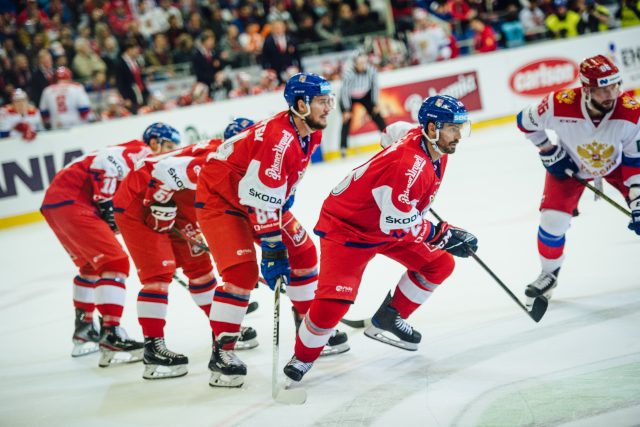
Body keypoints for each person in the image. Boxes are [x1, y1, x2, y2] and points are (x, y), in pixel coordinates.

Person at [282, 95, 478, 384]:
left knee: (439, 265)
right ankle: (303, 357)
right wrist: (443, 234)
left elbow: (391, 132)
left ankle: (389, 317)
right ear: (433, 128)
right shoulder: (412, 167)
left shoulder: (420, 138)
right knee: (334, 302)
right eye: (453, 128)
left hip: (387, 221)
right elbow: (396, 223)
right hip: (349, 229)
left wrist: (389, 179)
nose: (459, 136)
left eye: (463, 128)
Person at [195, 73, 349, 388]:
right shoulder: (279, 139)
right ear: (300, 104)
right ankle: (221, 353)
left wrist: (281, 226)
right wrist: (273, 247)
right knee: (241, 274)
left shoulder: (310, 132)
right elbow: (263, 197)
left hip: (256, 198)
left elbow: (275, 189)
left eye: (329, 100)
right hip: (221, 201)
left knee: (304, 252)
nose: (328, 107)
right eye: (321, 101)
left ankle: (307, 326)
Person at [112, 119, 257, 380]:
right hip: (139, 200)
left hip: (177, 204)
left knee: (200, 268)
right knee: (158, 274)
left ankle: (221, 328)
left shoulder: (239, 162)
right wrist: (158, 202)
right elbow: (163, 171)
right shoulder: (214, 160)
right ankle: (153, 349)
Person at [40, 123, 181, 366]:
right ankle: (111, 334)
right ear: (155, 141)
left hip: (56, 203)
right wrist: (105, 204)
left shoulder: (137, 154)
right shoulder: (141, 151)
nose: (166, 152)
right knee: (115, 263)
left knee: (90, 267)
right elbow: (105, 162)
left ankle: (84, 331)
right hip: (74, 202)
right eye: (167, 146)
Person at [516, 54, 640, 308]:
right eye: (602, 89)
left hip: (617, 166)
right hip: (571, 164)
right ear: (586, 89)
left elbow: (634, 161)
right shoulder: (557, 103)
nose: (610, 94)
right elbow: (524, 122)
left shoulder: (631, 112)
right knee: (552, 221)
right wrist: (548, 150)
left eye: (614, 85)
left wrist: (637, 200)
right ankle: (549, 274)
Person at [339, 52, 386, 158]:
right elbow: (345, 92)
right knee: (346, 120)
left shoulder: (371, 71)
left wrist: (375, 103)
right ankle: (343, 148)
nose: (362, 65)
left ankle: (389, 139)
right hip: (350, 97)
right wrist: (346, 109)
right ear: (355, 63)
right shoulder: (348, 74)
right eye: (360, 63)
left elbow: (375, 87)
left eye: (364, 63)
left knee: (377, 116)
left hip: (365, 95)